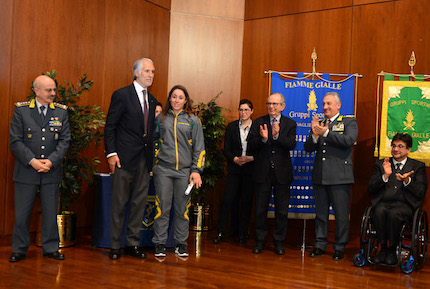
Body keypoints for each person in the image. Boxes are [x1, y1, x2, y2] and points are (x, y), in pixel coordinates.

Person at [9, 75, 70, 262]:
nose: (53, 93)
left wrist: (51, 161)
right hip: (26, 170)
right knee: (21, 214)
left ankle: (51, 248)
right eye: (48, 90)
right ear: (36, 91)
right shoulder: (22, 110)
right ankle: (19, 249)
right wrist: (32, 161)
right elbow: (16, 141)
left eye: (54, 90)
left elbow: (64, 140)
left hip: (51, 171)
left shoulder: (61, 112)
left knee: (50, 212)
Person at [104, 58, 157, 260]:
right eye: (147, 71)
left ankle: (132, 244)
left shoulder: (152, 100)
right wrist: (111, 153)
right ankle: (115, 246)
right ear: (136, 73)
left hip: (144, 160)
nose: (151, 75)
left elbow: (148, 132)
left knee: (139, 204)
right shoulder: (121, 95)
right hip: (123, 159)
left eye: (153, 71)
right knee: (118, 203)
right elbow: (111, 126)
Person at [152, 85, 205, 258]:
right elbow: (153, 143)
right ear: (169, 99)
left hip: (184, 172)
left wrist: (196, 170)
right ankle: (159, 243)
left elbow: (199, 147)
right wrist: (153, 164)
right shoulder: (161, 118)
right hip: (163, 170)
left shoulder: (193, 120)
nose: (176, 100)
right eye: (174, 97)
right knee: (162, 208)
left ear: (186, 100)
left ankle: (181, 244)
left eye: (180, 97)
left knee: (182, 209)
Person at [304, 91, 358, 261]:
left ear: (338, 105)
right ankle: (319, 245)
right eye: (324, 104)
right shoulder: (320, 123)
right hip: (320, 176)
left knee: (341, 215)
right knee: (320, 214)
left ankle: (339, 247)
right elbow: (308, 148)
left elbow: (348, 141)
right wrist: (314, 134)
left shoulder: (349, 121)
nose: (325, 107)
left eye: (329, 104)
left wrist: (326, 133)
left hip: (340, 177)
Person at [247, 92, 297, 255]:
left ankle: (278, 242)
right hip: (262, 172)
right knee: (260, 209)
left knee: (281, 210)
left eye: (275, 104)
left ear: (282, 106)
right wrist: (263, 139)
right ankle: (260, 241)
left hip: (282, 173)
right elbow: (250, 146)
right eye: (269, 103)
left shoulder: (290, 124)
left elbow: (291, 144)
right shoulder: (259, 123)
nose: (271, 107)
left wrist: (276, 136)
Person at [368, 133, 427, 265]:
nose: (396, 149)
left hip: (405, 206)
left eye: (400, 146)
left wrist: (407, 180)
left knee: (395, 214)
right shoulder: (381, 164)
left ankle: (392, 250)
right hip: (383, 203)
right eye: (394, 146)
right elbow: (371, 188)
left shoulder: (417, 167)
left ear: (408, 149)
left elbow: (421, 192)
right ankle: (383, 249)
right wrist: (385, 176)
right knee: (378, 211)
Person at [213, 99, 255, 245]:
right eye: (241, 110)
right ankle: (221, 232)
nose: (243, 113)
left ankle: (243, 234)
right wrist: (235, 159)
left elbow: (262, 149)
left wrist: (251, 158)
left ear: (251, 111)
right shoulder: (231, 127)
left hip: (250, 171)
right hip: (234, 169)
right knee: (227, 200)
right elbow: (226, 149)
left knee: (246, 203)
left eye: (246, 110)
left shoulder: (257, 127)